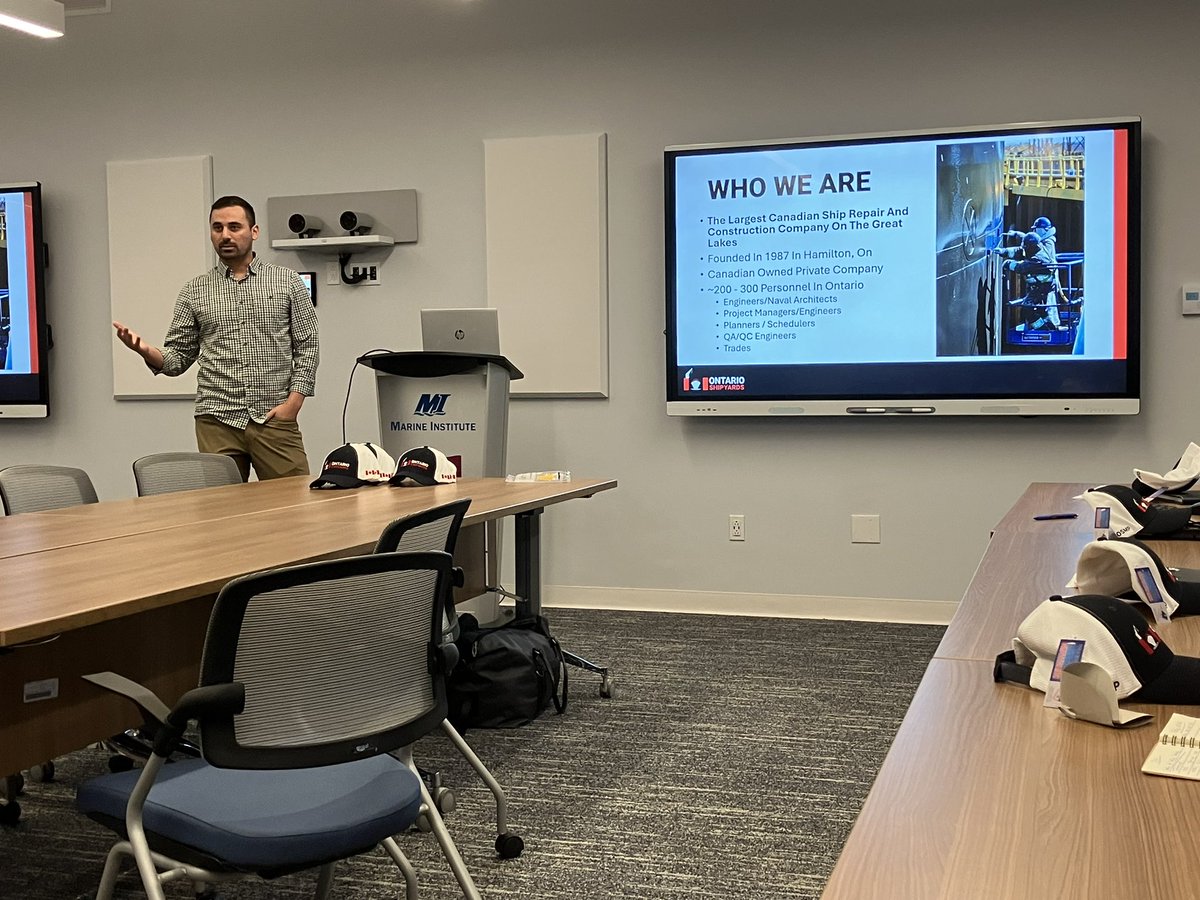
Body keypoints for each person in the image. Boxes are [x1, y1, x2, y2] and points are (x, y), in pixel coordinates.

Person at [113, 196, 319, 481]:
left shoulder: (288, 282)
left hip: (273, 416)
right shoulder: (194, 291)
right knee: (221, 505)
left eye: (234, 227)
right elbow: (177, 359)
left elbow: (308, 346)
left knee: (293, 500)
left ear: (254, 231)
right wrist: (145, 350)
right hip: (216, 420)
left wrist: (293, 404)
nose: (225, 235)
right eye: (217, 228)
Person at [995, 230, 1060, 332]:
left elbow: (1022, 268)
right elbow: (1019, 251)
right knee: (1041, 311)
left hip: (1042, 289)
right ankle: (1049, 326)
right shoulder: (1037, 249)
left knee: (1027, 308)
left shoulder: (1038, 258)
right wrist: (1004, 251)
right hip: (1041, 288)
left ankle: (1041, 328)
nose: (1024, 249)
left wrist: (1008, 264)